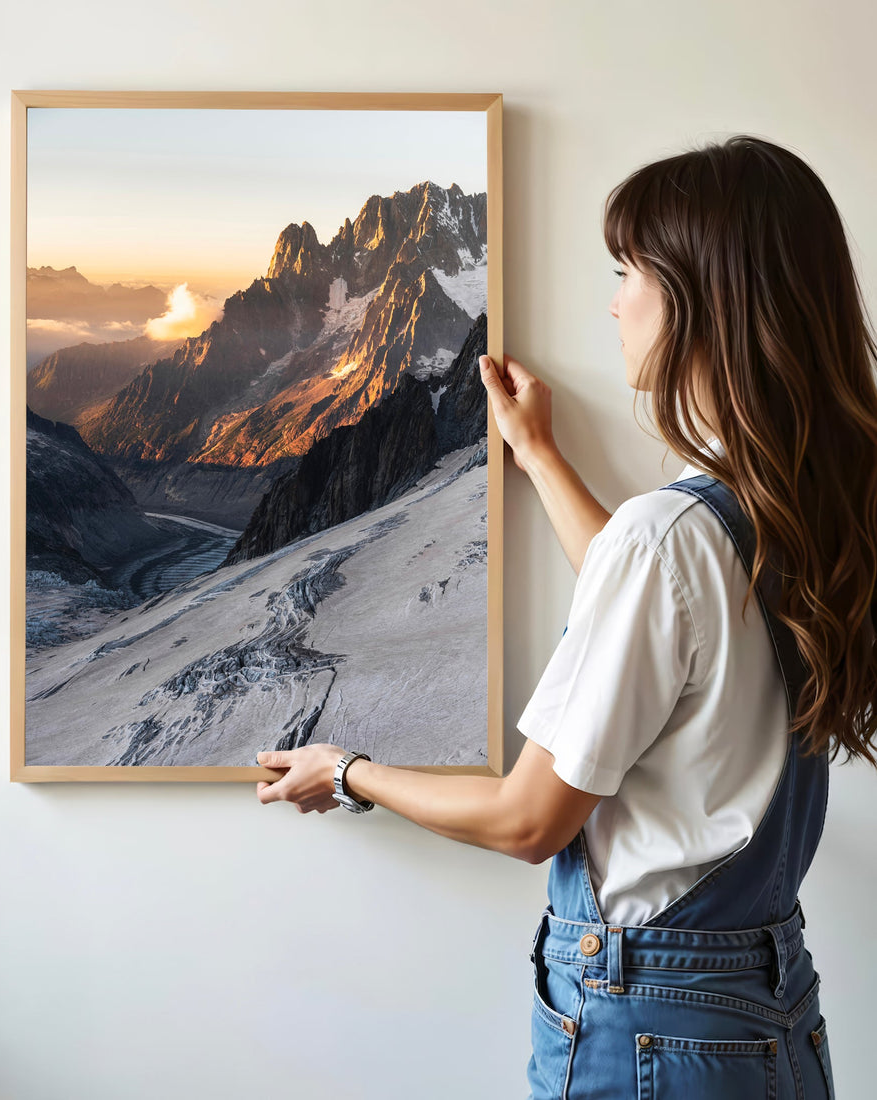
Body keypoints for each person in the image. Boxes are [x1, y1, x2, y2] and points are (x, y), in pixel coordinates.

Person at [254, 134, 877, 1098]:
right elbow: (668, 623)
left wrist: (346, 772)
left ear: (702, 300)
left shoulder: (671, 536)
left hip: (649, 1028)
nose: (615, 300)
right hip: (765, 1014)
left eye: (629, 272)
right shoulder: (795, 506)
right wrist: (541, 456)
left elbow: (527, 819)